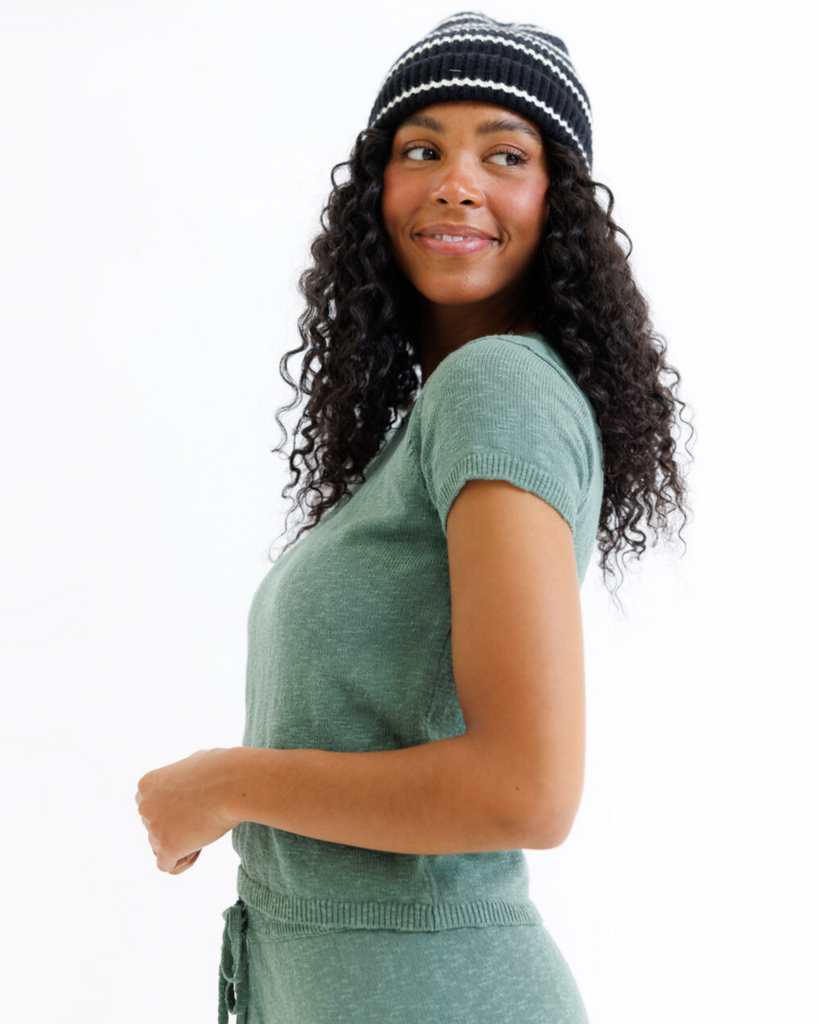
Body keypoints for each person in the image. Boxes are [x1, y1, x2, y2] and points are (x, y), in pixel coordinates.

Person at [135, 11, 693, 1023]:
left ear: (557, 202)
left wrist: (225, 783)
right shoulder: (436, 414)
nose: (455, 180)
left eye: (505, 153)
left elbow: (526, 790)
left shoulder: (496, 388)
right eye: (421, 148)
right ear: (375, 192)